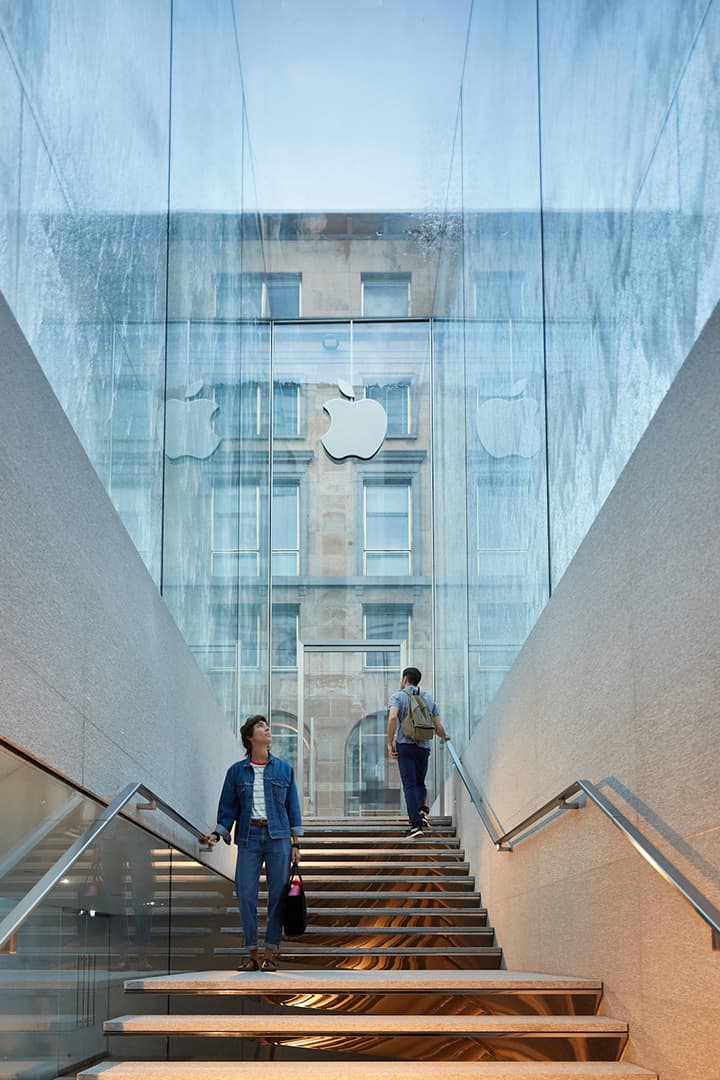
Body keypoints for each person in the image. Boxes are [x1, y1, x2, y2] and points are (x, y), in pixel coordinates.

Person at [205, 715, 303, 971]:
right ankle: (252, 954)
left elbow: (292, 806)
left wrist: (296, 844)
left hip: (278, 838)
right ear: (250, 737)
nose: (267, 729)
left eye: (267, 726)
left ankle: (270, 953)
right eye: (261, 726)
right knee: (246, 895)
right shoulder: (236, 772)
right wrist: (218, 832)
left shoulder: (284, 769)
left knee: (277, 897)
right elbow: (228, 807)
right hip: (249, 838)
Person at [387, 667, 449, 838]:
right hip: (423, 747)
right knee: (420, 782)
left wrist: (389, 743)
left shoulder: (398, 696)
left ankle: (416, 825)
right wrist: (446, 736)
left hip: (405, 745)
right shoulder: (428, 698)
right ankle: (422, 812)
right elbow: (437, 727)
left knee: (409, 785)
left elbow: (392, 718)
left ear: (405, 679)